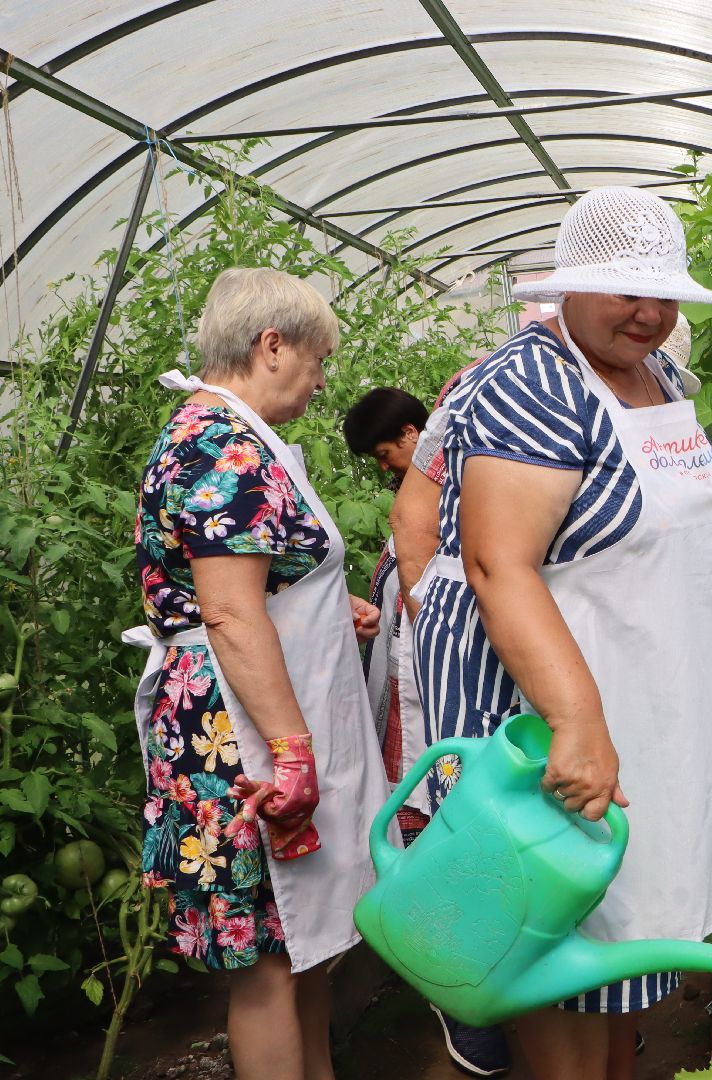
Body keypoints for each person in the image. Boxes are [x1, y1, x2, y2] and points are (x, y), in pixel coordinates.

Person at [409, 187, 712, 1079]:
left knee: (620, 934)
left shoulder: (655, 374)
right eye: (628, 289)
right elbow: (498, 566)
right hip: (548, 699)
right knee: (556, 926)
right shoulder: (530, 383)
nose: (651, 311)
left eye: (664, 293)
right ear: (571, 285)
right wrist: (578, 721)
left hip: (642, 681)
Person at [123, 267, 393, 1080]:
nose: (321, 382)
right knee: (272, 962)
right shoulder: (226, 449)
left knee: (304, 947)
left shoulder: (227, 436)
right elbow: (231, 615)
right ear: (271, 345)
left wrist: (321, 596)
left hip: (244, 719)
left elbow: (247, 578)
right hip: (237, 740)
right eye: (318, 361)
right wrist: (292, 751)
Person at [342, 387, 434, 845]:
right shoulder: (414, 496)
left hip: (424, 667)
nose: (383, 467)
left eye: (384, 453)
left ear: (411, 433)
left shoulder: (448, 495)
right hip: (401, 663)